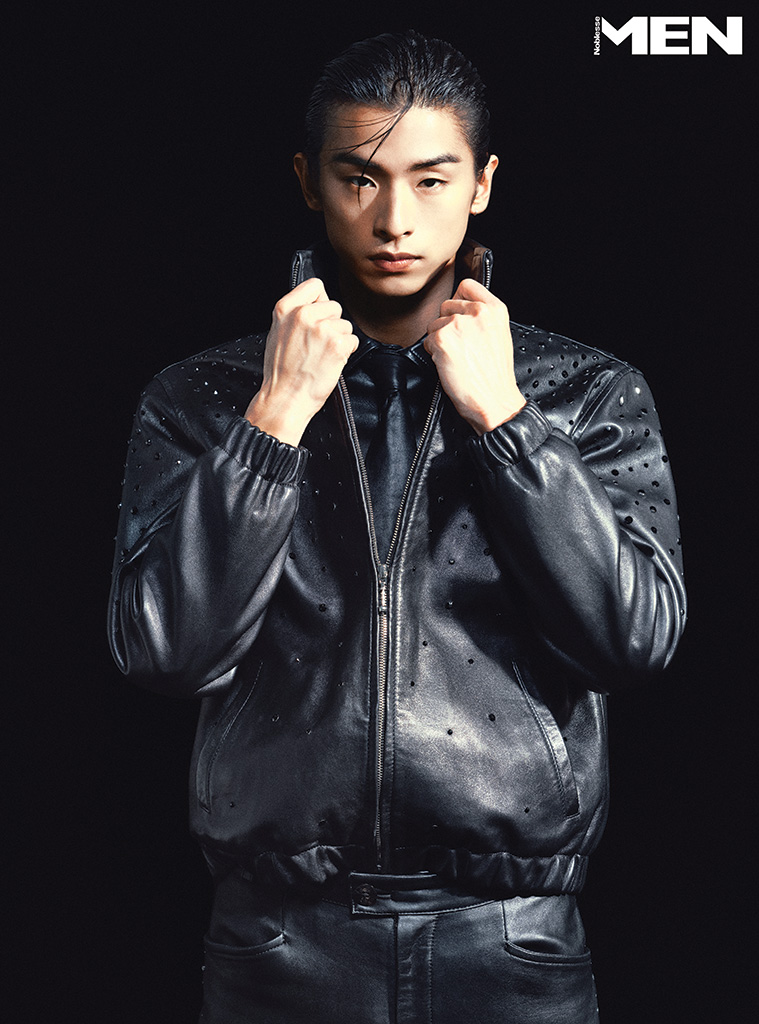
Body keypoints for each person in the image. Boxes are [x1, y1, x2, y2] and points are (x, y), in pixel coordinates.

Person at [108, 30, 686, 1023]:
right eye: (360, 179)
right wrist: (273, 421)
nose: (393, 219)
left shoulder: (587, 394)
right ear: (309, 181)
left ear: (482, 184)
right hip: (278, 942)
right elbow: (164, 651)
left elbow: (633, 641)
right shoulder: (201, 397)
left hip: (513, 939)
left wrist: (506, 421)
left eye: (430, 179)